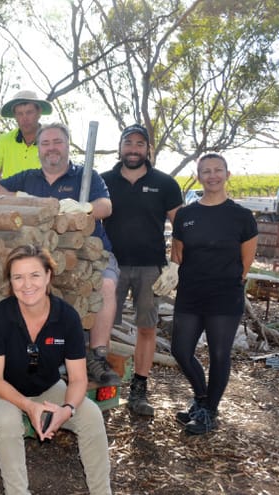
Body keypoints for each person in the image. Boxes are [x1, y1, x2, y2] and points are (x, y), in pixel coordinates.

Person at [0, 245, 117, 495]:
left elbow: (77, 379)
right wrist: (28, 406)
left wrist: (67, 409)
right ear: (10, 282)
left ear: (49, 276)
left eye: (34, 275)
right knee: (8, 421)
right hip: (0, 390)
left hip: (48, 387)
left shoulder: (66, 317)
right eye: (18, 278)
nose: (27, 285)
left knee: (90, 415)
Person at [0, 123, 121, 386]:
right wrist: (20, 197)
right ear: (38, 149)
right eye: (45, 144)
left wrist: (86, 207)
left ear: (68, 146)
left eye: (57, 142)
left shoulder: (86, 176)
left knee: (106, 284)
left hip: (89, 255)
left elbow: (107, 206)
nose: (51, 148)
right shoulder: (27, 178)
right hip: (42, 256)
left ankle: (98, 355)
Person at [170, 153, 257, 435]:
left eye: (217, 170)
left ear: (227, 174)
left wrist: (232, 281)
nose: (212, 176)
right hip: (190, 293)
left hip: (224, 295)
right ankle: (202, 398)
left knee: (219, 353)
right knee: (181, 350)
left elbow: (246, 261)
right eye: (205, 171)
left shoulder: (242, 217)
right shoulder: (186, 215)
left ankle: (209, 411)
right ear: (198, 176)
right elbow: (178, 253)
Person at [101, 124, 183, 416]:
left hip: (150, 267)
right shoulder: (104, 180)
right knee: (101, 326)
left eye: (139, 144)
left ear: (148, 149)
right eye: (128, 143)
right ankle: (101, 383)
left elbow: (181, 226)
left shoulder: (165, 183)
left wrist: (174, 264)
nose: (133, 149)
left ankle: (139, 389)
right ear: (120, 147)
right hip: (110, 265)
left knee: (146, 327)